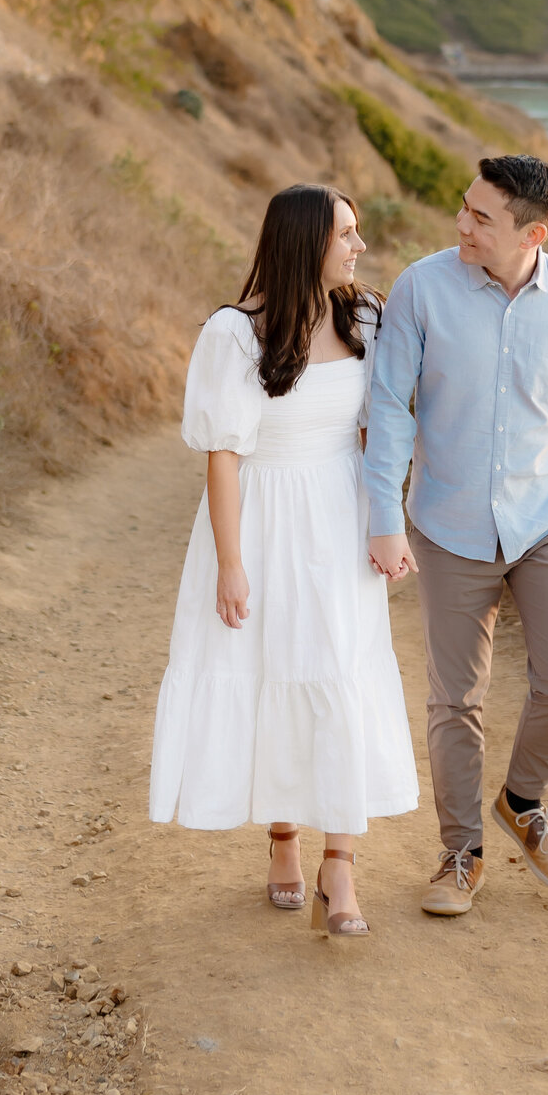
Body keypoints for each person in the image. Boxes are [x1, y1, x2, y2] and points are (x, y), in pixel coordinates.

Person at [149, 184, 418, 939]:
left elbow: (380, 434)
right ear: (306, 242)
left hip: (339, 517)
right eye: (346, 234)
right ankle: (282, 841)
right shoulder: (235, 335)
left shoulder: (365, 314)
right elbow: (224, 457)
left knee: (337, 672)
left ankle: (342, 861)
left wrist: (386, 524)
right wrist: (231, 564)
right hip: (261, 519)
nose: (359, 247)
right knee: (271, 671)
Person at [363, 155, 548, 916]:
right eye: (464, 207)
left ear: (532, 232)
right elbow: (390, 409)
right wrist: (384, 519)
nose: (461, 225)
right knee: (455, 698)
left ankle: (523, 802)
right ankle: (460, 853)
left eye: (481, 218)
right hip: (449, 523)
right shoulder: (421, 288)